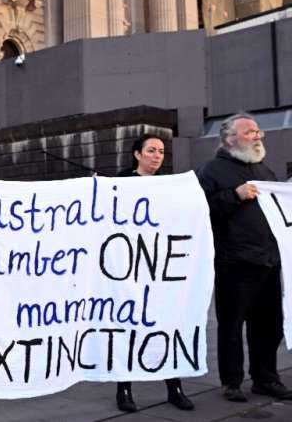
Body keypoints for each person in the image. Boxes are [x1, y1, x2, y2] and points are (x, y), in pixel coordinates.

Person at [197, 112, 292, 403]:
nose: (258, 136)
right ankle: (232, 382)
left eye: (259, 132)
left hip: (268, 261)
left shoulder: (264, 171)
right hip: (233, 263)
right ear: (229, 138)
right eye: (250, 132)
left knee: (270, 325)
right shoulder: (211, 171)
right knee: (232, 326)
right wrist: (234, 195)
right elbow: (201, 214)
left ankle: (265, 378)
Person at [113, 134, 194, 412]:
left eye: (161, 151)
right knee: (127, 327)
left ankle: (174, 387)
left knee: (167, 325)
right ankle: (124, 389)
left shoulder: (171, 185)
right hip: (129, 267)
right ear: (137, 154)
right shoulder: (119, 183)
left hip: (163, 267)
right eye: (151, 150)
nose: (157, 156)